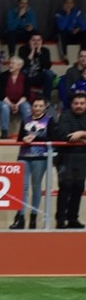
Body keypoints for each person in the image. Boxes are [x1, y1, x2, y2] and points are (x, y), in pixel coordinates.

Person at [11, 98, 52, 229]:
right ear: (31, 107)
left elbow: (52, 137)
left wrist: (35, 137)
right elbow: (19, 138)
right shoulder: (25, 119)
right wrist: (24, 138)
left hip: (40, 157)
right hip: (23, 156)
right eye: (35, 106)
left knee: (36, 187)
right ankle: (20, 217)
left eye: (40, 106)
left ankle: (33, 217)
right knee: (22, 187)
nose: (38, 108)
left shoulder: (49, 120)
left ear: (45, 107)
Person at [52, 91, 86, 228]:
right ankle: (60, 220)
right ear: (71, 104)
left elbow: (74, 135)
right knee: (65, 187)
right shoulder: (65, 115)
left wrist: (82, 133)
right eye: (76, 103)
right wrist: (83, 139)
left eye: (82, 103)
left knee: (78, 188)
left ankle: (73, 219)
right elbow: (64, 135)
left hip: (82, 158)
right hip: (65, 158)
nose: (79, 106)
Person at [0, 56, 31, 139]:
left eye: (13, 63)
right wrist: (11, 105)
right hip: (3, 101)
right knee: (5, 107)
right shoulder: (3, 76)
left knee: (26, 107)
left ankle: (28, 132)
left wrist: (17, 104)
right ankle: (4, 132)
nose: (10, 65)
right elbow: (1, 94)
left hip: (20, 102)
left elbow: (26, 95)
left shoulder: (26, 78)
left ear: (19, 66)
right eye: (10, 63)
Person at [18, 33, 54, 104]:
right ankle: (25, 100)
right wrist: (32, 51)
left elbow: (47, 66)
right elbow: (23, 66)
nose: (36, 42)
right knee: (23, 72)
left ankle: (46, 101)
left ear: (41, 41)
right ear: (29, 41)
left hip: (38, 77)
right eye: (34, 40)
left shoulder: (45, 51)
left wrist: (39, 52)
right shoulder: (23, 49)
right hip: (26, 76)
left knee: (49, 73)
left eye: (38, 40)